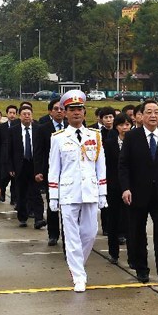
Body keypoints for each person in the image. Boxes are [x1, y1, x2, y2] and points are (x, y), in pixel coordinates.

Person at [48, 90, 107, 293]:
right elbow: (54, 168)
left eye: (79, 109)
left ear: (84, 111)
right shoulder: (58, 138)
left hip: (90, 189)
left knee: (90, 233)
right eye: (71, 110)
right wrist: (53, 195)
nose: (76, 113)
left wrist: (102, 193)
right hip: (68, 191)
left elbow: (101, 166)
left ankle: (77, 267)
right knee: (71, 236)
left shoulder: (95, 136)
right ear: (65, 113)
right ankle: (79, 276)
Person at [119, 99, 158, 284]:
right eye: (149, 112)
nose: (153, 115)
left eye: (156, 112)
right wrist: (126, 188)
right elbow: (124, 165)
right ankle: (141, 269)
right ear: (141, 116)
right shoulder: (132, 137)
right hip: (137, 193)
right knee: (137, 233)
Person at [34, 98, 67, 246]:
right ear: (50, 112)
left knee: (69, 205)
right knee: (53, 203)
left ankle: (69, 234)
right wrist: (38, 171)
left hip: (69, 172)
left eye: (61, 109)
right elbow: (39, 152)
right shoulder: (43, 128)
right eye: (56, 109)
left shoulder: (72, 127)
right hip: (51, 173)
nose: (59, 111)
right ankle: (53, 234)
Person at [7, 105, 46, 229]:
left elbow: (42, 150)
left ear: (32, 115)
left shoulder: (38, 129)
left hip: (35, 166)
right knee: (22, 193)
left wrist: (41, 168)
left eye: (29, 114)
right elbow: (9, 151)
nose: (27, 116)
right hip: (20, 165)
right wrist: (11, 167)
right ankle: (23, 217)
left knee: (36, 193)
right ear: (20, 116)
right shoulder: (13, 130)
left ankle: (39, 219)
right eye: (24, 114)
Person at [104, 113, 131, 265]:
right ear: (116, 127)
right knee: (113, 220)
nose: (125, 128)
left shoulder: (135, 142)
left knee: (130, 221)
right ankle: (113, 252)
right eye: (121, 125)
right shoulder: (109, 143)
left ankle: (132, 255)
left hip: (130, 188)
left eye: (127, 124)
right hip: (113, 187)